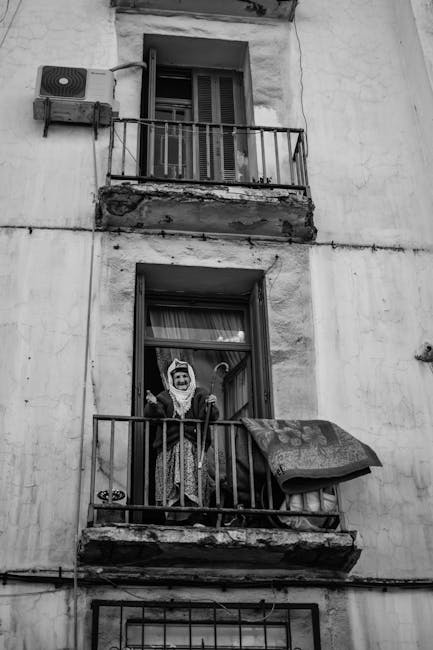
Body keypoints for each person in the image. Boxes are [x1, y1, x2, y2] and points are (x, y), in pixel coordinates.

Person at [144, 358, 219, 525]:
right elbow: (154, 417)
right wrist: (154, 405)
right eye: (178, 377)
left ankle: (196, 517)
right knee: (171, 484)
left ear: (190, 377)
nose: (182, 380)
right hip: (169, 448)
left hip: (193, 449)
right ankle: (172, 519)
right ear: (172, 380)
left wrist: (210, 405)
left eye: (184, 376)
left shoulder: (200, 394)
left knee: (194, 482)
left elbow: (209, 417)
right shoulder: (164, 396)